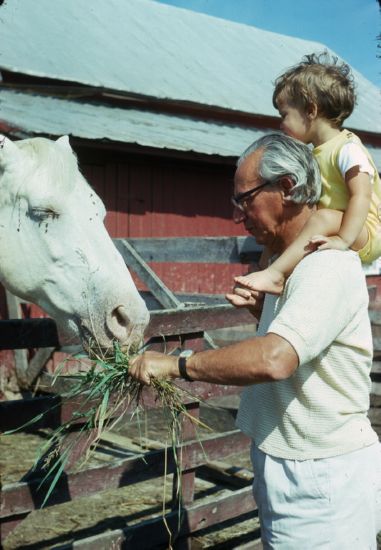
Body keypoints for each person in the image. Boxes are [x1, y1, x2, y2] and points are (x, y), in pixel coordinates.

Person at [130, 133, 381, 548]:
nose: (240, 214)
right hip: (295, 462)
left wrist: (177, 364)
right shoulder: (288, 265)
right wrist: (261, 314)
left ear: (286, 187)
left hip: (318, 477)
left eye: (246, 198)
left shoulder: (326, 264)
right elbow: (301, 351)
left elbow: (276, 359)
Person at [235, 52, 381, 296]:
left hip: (366, 230)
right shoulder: (316, 152)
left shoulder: (347, 149)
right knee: (284, 228)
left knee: (320, 219)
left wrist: (344, 239)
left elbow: (361, 197)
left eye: (285, 115)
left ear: (311, 110)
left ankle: (275, 275)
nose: (281, 124)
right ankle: (264, 271)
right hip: (341, 222)